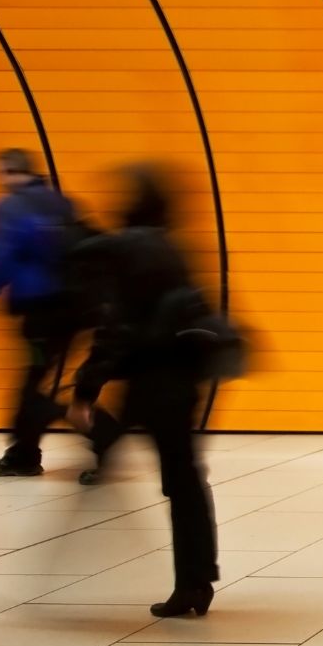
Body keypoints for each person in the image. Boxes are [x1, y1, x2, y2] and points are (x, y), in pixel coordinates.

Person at [64, 164, 220, 619]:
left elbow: (116, 327)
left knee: (125, 463)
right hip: (182, 379)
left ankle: (182, 582)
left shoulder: (126, 249)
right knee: (186, 480)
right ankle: (197, 580)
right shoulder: (175, 247)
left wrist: (85, 391)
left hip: (149, 380)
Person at [0, 148, 123, 481]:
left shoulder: (10, 207)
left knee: (32, 390)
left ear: (7, 172)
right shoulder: (62, 203)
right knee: (38, 384)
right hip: (77, 311)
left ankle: (98, 433)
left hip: (41, 313)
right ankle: (26, 453)